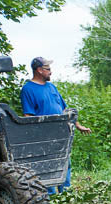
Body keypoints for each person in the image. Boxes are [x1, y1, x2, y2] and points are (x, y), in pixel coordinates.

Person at [20, 57, 91, 193]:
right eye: (48, 69)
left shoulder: (52, 87)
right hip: (44, 134)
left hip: (60, 132)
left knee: (65, 161)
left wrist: (78, 125)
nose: (51, 72)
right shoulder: (28, 89)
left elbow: (64, 109)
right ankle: (51, 195)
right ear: (39, 70)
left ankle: (65, 193)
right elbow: (28, 116)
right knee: (47, 164)